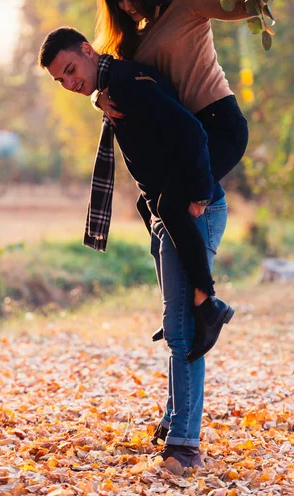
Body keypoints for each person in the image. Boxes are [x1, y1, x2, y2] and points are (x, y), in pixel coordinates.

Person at [38, 26, 233, 472]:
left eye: (71, 70)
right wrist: (94, 97)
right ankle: (174, 420)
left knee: (183, 329)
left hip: (193, 209)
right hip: (168, 216)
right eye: (60, 80)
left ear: (88, 51)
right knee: (175, 325)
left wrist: (200, 195)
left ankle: (185, 444)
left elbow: (191, 131)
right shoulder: (109, 87)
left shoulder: (124, 82)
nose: (70, 83)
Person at [94, 0, 253, 344]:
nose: (126, 6)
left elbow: (245, 7)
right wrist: (97, 97)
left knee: (169, 205)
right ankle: (177, 303)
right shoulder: (135, 40)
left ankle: (205, 301)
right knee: (149, 208)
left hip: (221, 125)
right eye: (118, 2)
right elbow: (106, 75)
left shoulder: (189, 3)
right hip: (187, 136)